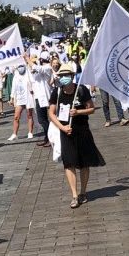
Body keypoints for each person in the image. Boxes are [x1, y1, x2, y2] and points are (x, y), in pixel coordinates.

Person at [48, 64, 106, 209]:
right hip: (66, 131)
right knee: (69, 163)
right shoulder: (57, 91)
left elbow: (91, 108)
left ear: (72, 76)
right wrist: (62, 127)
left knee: (84, 163)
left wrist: (78, 112)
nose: (64, 78)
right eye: (61, 75)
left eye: (66, 75)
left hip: (82, 130)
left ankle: (83, 192)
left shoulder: (81, 89)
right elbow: (51, 113)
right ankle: (74, 195)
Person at [31, 53, 54, 147]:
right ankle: (47, 138)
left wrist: (27, 58)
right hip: (38, 96)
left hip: (44, 97)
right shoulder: (40, 68)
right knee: (42, 119)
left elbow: (38, 69)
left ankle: (50, 138)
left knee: (43, 120)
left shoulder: (47, 67)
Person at [8, 64, 35, 141]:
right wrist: (12, 98)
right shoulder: (16, 76)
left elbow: (33, 83)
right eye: (19, 67)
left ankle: (30, 132)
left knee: (29, 115)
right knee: (16, 117)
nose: (20, 68)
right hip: (19, 98)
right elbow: (13, 87)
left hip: (28, 97)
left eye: (22, 66)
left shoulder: (28, 74)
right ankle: (14, 134)